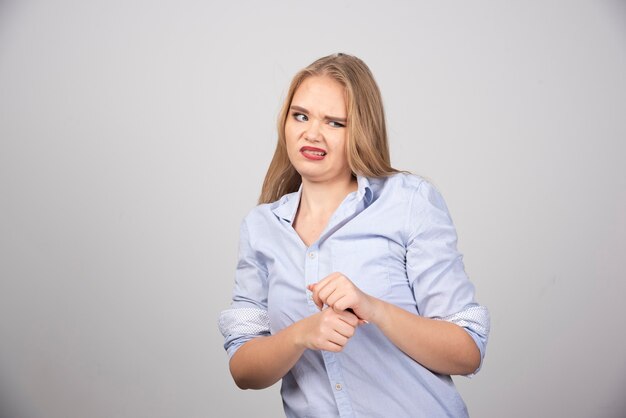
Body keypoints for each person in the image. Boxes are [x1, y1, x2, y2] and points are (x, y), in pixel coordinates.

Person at [218, 53, 490, 418]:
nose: (311, 133)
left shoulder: (408, 202)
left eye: (334, 122)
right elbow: (243, 368)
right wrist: (302, 334)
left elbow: (466, 350)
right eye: (301, 116)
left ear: (361, 129)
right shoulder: (261, 227)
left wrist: (373, 308)